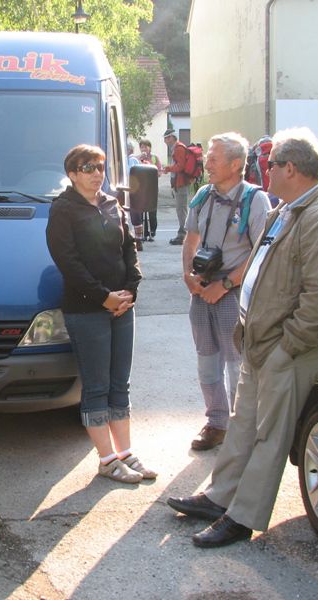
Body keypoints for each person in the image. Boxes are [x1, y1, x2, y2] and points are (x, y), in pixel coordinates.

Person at [167, 127, 318, 548]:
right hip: (262, 340)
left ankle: (242, 516)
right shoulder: (284, 210)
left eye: (270, 164)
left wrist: (286, 348)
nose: (264, 170)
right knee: (243, 424)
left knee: (270, 433)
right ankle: (220, 497)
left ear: (290, 169)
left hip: (291, 348)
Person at [46, 144, 156, 484]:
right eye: (88, 167)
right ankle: (107, 460)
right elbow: (69, 264)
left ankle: (125, 453)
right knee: (96, 386)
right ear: (73, 174)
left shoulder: (113, 205)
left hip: (122, 307)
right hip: (86, 309)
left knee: (119, 383)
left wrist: (130, 292)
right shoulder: (63, 210)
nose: (96, 172)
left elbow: (130, 252)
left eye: (100, 166)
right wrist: (102, 297)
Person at [181, 132, 271, 451]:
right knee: (207, 361)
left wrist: (226, 284)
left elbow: (262, 251)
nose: (207, 162)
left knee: (237, 364)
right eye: (208, 155)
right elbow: (191, 240)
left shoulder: (255, 200)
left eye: (213, 157)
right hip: (201, 291)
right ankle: (216, 423)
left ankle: (243, 427)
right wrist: (189, 276)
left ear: (235, 164)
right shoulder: (203, 195)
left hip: (232, 293)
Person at [164, 130, 191, 245]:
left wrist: (169, 168)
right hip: (179, 183)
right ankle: (183, 233)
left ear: (172, 137)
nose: (165, 141)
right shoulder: (177, 148)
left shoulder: (179, 148)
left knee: (181, 209)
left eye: (167, 138)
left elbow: (180, 166)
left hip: (182, 183)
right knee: (181, 209)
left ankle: (183, 235)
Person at [139, 139, 161, 242]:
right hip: (142, 188)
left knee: (152, 210)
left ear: (150, 147)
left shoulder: (154, 158)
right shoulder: (138, 158)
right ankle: (144, 233)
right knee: (142, 211)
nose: (144, 149)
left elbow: (159, 172)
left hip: (152, 187)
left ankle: (152, 231)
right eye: (142, 147)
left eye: (146, 146)